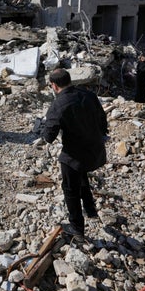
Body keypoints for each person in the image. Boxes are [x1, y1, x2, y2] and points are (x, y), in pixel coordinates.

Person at [41, 68, 109, 242]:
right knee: (81, 173)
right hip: (96, 151)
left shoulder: (58, 104)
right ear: (70, 80)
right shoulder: (89, 94)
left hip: (75, 155)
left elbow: (49, 136)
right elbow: (103, 121)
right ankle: (90, 208)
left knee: (70, 188)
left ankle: (77, 229)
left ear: (54, 86)